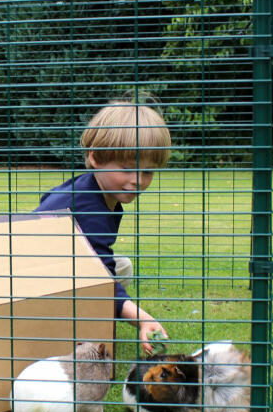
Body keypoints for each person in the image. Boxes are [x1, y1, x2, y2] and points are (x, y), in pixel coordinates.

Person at [35, 99, 171, 355]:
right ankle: (78, 330)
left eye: (148, 172)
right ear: (95, 157)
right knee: (112, 273)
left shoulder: (90, 189)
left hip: (66, 270)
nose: (138, 180)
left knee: (123, 266)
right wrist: (141, 318)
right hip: (40, 282)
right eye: (128, 169)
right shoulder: (88, 206)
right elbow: (99, 277)